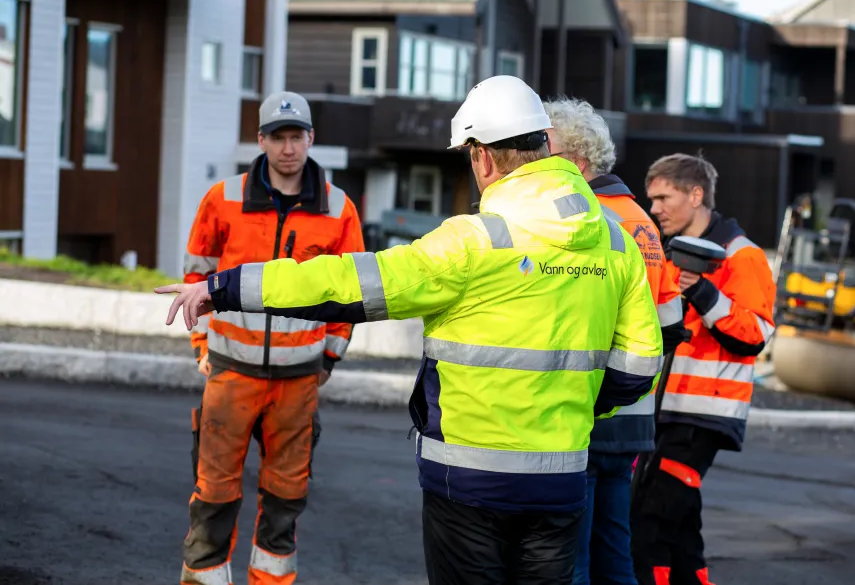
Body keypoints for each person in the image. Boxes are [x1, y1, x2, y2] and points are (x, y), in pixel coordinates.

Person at [156, 75, 664, 585]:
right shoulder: (616, 243)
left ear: (481, 157)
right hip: (560, 478)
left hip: (468, 483)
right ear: (546, 144)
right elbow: (641, 361)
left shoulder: (473, 241)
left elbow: (345, 282)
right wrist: (575, 401)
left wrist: (224, 288)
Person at [177, 91, 366, 585]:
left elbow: (351, 293)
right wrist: (202, 347)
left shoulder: (339, 209)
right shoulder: (225, 199)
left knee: (285, 499)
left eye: (296, 136)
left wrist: (329, 356)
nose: (288, 148)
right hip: (231, 372)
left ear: (310, 139)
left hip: (298, 379)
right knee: (213, 492)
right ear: (261, 141)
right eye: (278, 137)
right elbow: (196, 275)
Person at [543, 97, 686, 585]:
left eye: (548, 151)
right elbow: (669, 324)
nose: (537, 162)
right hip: (633, 413)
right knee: (614, 547)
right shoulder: (641, 221)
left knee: (573, 556)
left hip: (588, 405)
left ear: (578, 163)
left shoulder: (583, 221)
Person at [630, 153, 777, 585]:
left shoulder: (741, 256)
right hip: (663, 411)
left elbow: (755, 334)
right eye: (651, 198)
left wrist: (705, 294)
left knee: (648, 521)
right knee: (678, 531)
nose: (654, 208)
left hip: (702, 417)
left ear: (696, 195)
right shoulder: (670, 253)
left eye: (663, 197)